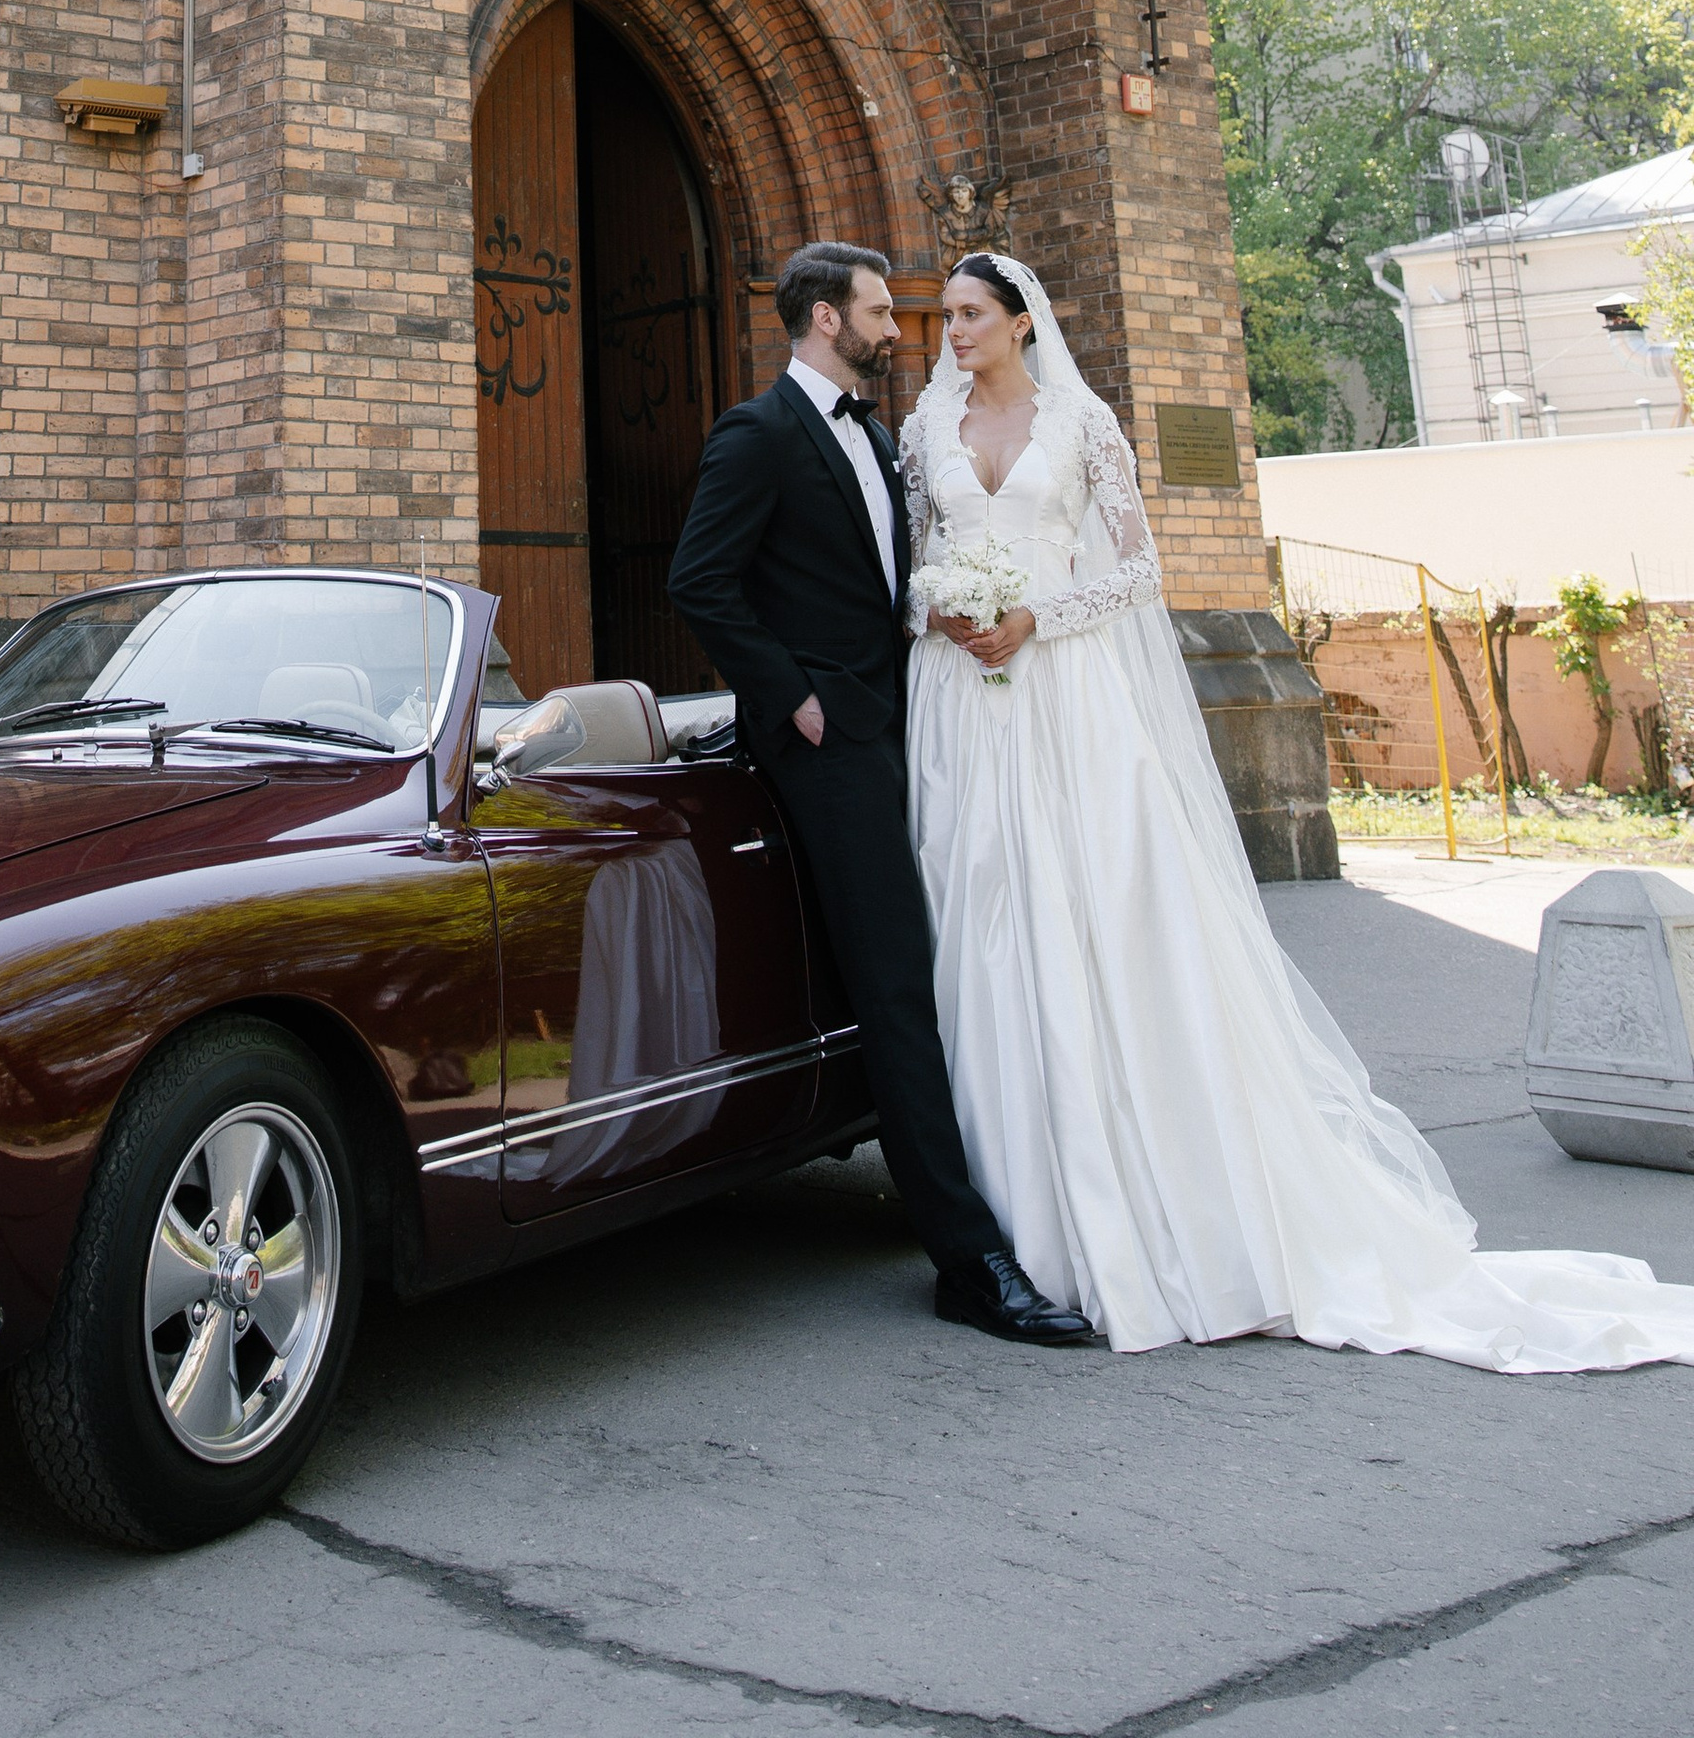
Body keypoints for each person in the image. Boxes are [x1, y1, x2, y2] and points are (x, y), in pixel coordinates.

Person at [904, 247, 1694, 1370]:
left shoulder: (1080, 426)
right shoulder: (920, 433)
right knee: (983, 922)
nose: (954, 331)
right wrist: (942, 615)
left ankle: (1125, 1191)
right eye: (945, 316)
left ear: (1023, 322)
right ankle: (1002, 1211)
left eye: (973, 313)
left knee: (1093, 916)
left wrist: (1034, 616)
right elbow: (919, 559)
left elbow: (1135, 571)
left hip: (1061, 687)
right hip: (960, 706)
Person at [666, 239, 1096, 1345]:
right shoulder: (757, 435)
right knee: (900, 986)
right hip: (830, 748)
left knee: (955, 958)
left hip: (919, 730)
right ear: (823, 321)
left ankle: (992, 1188)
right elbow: (698, 580)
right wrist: (789, 700)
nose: (898, 329)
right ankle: (967, 1260)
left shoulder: (877, 435)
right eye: (876, 310)